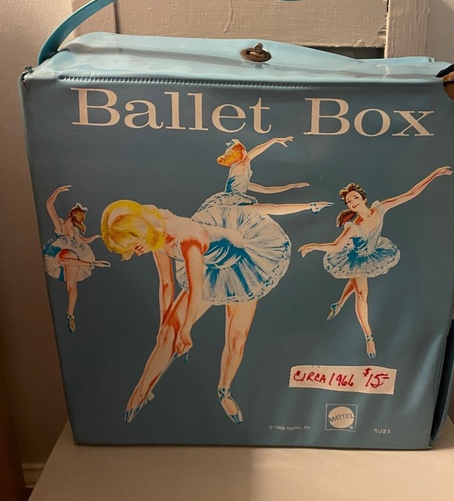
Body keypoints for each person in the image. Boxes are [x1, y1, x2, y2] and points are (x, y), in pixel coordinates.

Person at [102, 137, 331, 424]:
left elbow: (197, 286)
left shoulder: (186, 236)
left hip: (245, 265)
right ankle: (140, 393)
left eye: (134, 245)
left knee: (236, 339)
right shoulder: (155, 237)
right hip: (211, 265)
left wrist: (186, 329)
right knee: (167, 333)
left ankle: (224, 392)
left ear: (140, 231)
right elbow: (166, 284)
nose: (135, 252)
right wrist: (167, 326)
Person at [299, 166, 453, 359]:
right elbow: (336, 246)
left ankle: (338, 304)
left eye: (355, 198)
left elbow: (410, 194)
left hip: (375, 252)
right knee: (362, 295)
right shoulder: (353, 227)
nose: (352, 202)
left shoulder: (380, 209)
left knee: (357, 287)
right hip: (356, 258)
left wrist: (434, 174)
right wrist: (313, 246)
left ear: (364, 198)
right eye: (349, 201)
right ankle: (369, 337)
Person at [42, 185, 110, 333]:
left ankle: (70, 314)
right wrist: (57, 191)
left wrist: (95, 238)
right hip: (55, 255)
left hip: (70, 257)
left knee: (72, 287)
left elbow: (84, 241)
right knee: (67, 256)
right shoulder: (59, 225)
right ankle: (91, 263)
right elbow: (49, 205)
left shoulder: (74, 231)